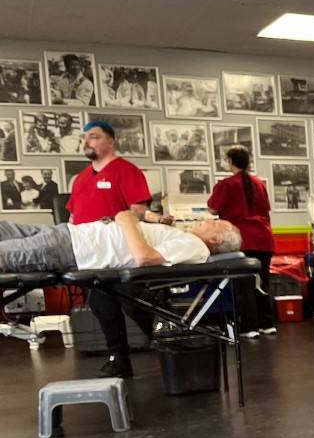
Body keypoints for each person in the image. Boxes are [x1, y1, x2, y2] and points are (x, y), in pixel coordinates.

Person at [68, 119, 173, 378]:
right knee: (104, 309)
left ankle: (173, 347)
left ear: (110, 140)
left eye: (93, 136)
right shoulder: (81, 179)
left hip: (121, 252)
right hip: (91, 255)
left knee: (135, 304)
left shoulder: (125, 170)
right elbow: (73, 216)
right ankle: (119, 359)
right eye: (84, 138)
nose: (86, 141)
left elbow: (137, 210)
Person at [0, 210, 238, 273]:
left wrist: (127, 221)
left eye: (215, 223)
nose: (208, 220)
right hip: (69, 234)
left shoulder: (195, 247)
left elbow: (144, 258)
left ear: (216, 239)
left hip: (72, 248)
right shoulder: (186, 239)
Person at [207, 145, 276, 337]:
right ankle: (267, 323)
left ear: (230, 162)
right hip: (264, 238)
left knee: (243, 285)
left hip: (242, 240)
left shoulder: (227, 184)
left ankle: (249, 327)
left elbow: (212, 208)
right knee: (262, 283)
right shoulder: (259, 183)